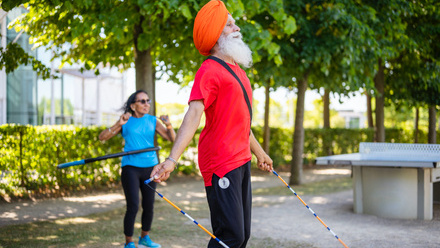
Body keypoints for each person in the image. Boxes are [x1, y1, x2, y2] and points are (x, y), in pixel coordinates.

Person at [150, 1, 273, 247]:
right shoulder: (209, 70)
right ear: (216, 36)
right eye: (229, 24)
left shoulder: (238, 71)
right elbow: (194, 114)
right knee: (231, 236)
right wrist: (172, 160)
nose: (237, 27)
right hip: (220, 161)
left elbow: (241, 122)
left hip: (241, 159)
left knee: (242, 236)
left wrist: (260, 153)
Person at [99, 89, 176, 248]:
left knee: (149, 205)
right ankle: (129, 242)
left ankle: (144, 238)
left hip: (150, 168)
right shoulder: (125, 121)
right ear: (133, 106)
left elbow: (171, 139)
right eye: (142, 101)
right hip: (130, 168)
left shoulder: (153, 120)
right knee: (133, 205)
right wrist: (118, 124)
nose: (147, 104)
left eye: (148, 101)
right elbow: (102, 137)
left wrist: (168, 124)